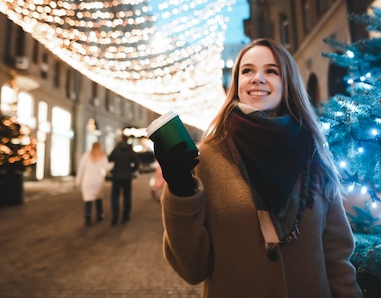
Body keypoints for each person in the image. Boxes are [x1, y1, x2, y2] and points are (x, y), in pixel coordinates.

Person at [153, 38, 362, 297]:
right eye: (247, 70)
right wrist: (181, 189)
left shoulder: (313, 153)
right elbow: (193, 269)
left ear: (287, 84)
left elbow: (337, 257)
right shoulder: (207, 158)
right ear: (236, 84)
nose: (258, 78)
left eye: (271, 71)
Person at [75, 142, 112, 226]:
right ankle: (100, 214)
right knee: (98, 198)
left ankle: (88, 215)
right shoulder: (102, 156)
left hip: (87, 181)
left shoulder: (86, 156)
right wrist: (114, 164)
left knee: (88, 199)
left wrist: (78, 181)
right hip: (98, 181)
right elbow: (107, 167)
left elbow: (81, 169)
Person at [108, 133, 140, 226]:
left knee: (115, 197)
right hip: (127, 177)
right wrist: (131, 170)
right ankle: (126, 215)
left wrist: (114, 169)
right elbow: (137, 163)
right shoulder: (130, 150)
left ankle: (115, 214)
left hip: (117, 176)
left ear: (122, 139)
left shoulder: (116, 149)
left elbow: (109, 159)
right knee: (127, 196)